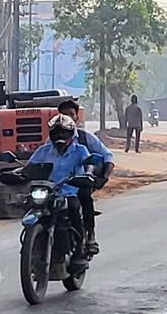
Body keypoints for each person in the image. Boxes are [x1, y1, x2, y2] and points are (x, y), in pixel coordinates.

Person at [25, 114, 94, 274]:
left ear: (71, 134)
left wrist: (88, 174)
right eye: (56, 132)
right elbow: (29, 167)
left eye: (63, 132)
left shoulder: (79, 150)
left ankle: (79, 252)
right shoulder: (43, 151)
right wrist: (17, 173)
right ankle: (31, 248)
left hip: (69, 193)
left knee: (74, 209)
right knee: (27, 206)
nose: (60, 136)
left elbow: (89, 163)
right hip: (47, 192)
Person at [58, 100, 114, 255]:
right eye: (64, 115)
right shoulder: (51, 141)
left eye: (71, 114)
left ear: (76, 117)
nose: (67, 117)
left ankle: (89, 235)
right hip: (56, 185)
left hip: (79, 183)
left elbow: (107, 156)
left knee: (84, 196)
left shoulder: (84, 140)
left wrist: (104, 177)